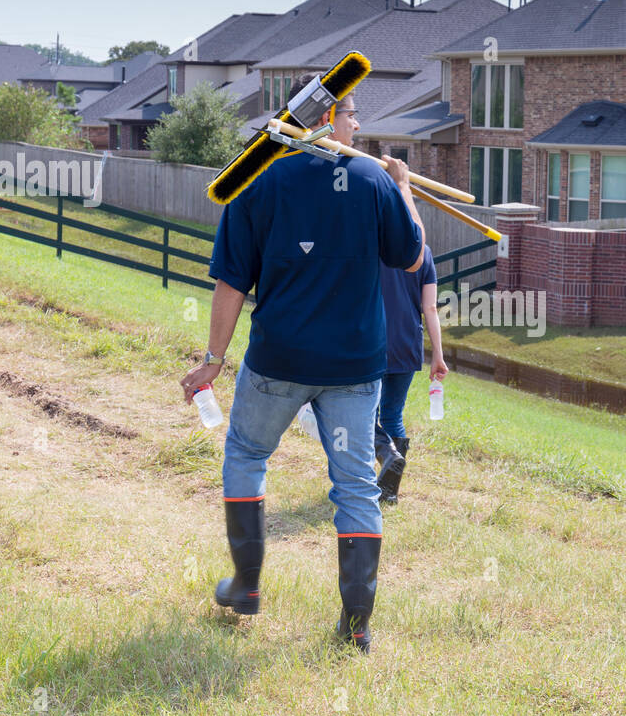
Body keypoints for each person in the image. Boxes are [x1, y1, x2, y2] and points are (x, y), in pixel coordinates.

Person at [180, 74, 424, 655]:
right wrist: (402, 188)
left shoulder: (255, 180)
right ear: (321, 120)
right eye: (351, 115)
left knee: (246, 454)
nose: (359, 126)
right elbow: (412, 255)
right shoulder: (371, 180)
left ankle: (246, 588)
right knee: (356, 485)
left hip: (278, 360)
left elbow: (231, 283)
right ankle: (357, 627)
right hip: (355, 367)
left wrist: (214, 360)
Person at [374, 244, 448, 503]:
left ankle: (384, 464)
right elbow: (430, 308)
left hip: (373, 343)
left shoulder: (374, 245)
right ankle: (389, 491)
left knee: (364, 417)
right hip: (407, 345)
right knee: (393, 415)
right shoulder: (423, 252)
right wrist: (437, 354)